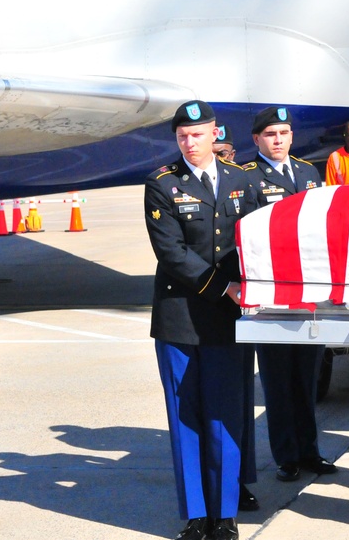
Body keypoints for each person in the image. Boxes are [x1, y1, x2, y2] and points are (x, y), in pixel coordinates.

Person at [144, 100, 258, 540]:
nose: (189, 143)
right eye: (181, 136)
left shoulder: (241, 180)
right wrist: (223, 287)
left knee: (225, 415)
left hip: (230, 320)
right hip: (179, 319)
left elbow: (253, 241)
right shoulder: (161, 184)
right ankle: (196, 514)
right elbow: (170, 253)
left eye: (197, 134)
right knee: (185, 416)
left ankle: (225, 514)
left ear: (215, 134)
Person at [242, 106, 338, 482]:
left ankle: (310, 451)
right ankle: (287, 457)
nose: (278, 140)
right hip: (272, 295)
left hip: (309, 293)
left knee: (307, 377)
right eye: (270, 135)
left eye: (283, 133)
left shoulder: (307, 172)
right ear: (256, 140)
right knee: (278, 380)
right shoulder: (247, 178)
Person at [210, 122, 259, 512]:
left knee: (240, 403)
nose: (225, 157)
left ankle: (240, 480)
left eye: (228, 151)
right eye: (219, 150)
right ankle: (223, 486)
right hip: (212, 302)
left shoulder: (245, 185)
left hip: (243, 307)